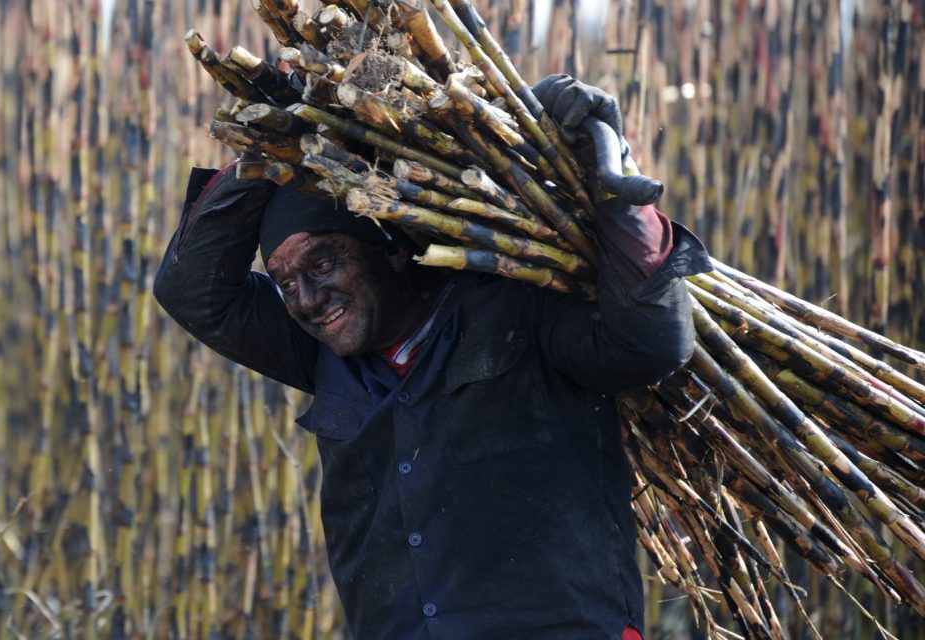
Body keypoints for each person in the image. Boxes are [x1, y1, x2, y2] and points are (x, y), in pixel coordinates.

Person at [153, 75, 712, 639]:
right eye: (285, 282)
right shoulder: (320, 351)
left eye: (322, 265)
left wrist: (611, 176)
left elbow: (650, 342)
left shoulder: (515, 307)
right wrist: (275, 150)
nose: (306, 299)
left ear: (391, 252)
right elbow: (190, 291)